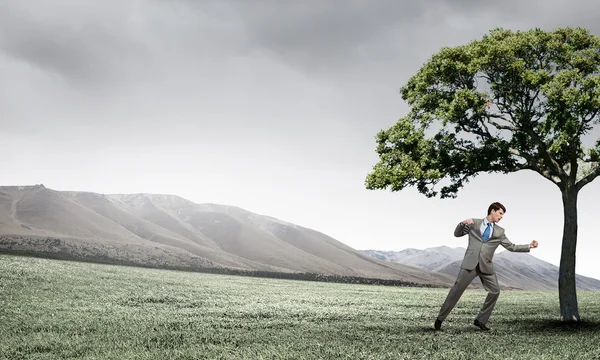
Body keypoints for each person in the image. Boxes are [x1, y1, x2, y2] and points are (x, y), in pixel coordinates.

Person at [433, 202, 538, 331]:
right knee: (456, 291)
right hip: (470, 264)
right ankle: (440, 319)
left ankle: (480, 320)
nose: (501, 217)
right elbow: (457, 234)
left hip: (486, 266)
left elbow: (511, 246)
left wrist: (529, 246)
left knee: (495, 291)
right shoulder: (474, 223)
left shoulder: (500, 231)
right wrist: (463, 223)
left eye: (502, 215)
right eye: (500, 213)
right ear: (492, 211)